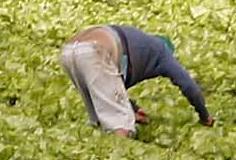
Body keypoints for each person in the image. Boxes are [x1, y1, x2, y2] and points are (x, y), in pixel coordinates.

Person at [60, 25, 213, 136]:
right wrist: (204, 116)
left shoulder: (138, 44)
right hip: (95, 50)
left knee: (98, 119)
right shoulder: (162, 51)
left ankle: (95, 152)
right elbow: (188, 85)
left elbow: (112, 86)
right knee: (121, 124)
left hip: (68, 51)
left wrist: (132, 108)